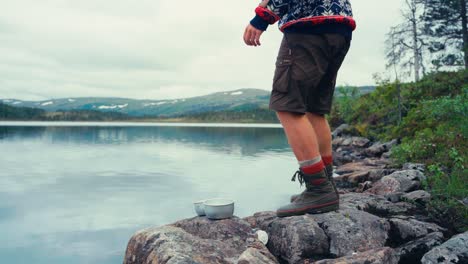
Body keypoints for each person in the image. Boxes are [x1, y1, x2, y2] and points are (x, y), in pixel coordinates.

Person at [243, 0, 356, 217]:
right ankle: (326, 185)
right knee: (314, 110)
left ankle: (319, 189)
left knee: (287, 106)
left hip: (308, 29)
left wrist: (261, 18)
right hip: (340, 29)